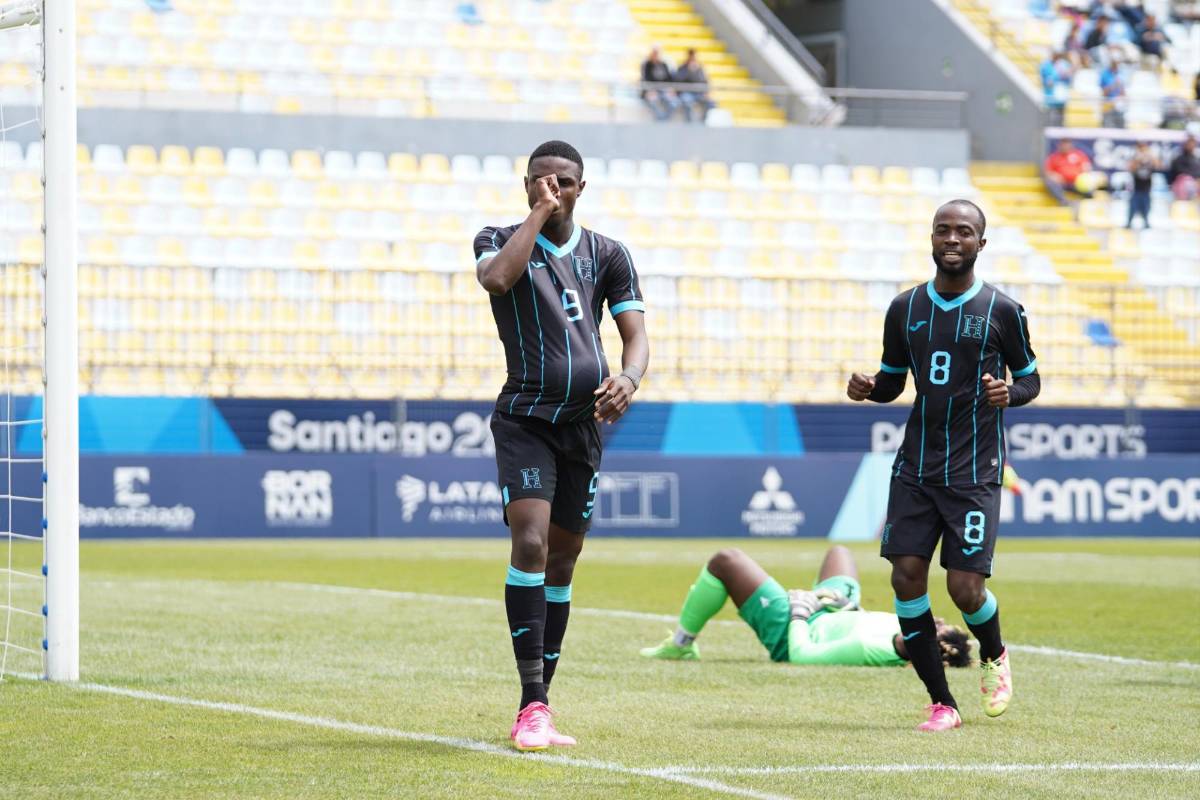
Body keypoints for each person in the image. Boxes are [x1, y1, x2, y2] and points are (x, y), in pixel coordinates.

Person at [474, 140, 650, 751]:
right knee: (530, 540)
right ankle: (531, 704)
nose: (554, 190)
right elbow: (498, 280)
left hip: (582, 427)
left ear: (583, 187)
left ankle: (542, 700)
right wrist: (537, 218)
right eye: (542, 183)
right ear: (526, 186)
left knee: (565, 560)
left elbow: (636, 337)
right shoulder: (497, 238)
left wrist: (628, 379)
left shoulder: (609, 253)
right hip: (525, 419)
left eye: (565, 183)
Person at [845, 200, 1042, 732]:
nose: (952, 239)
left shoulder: (1003, 310)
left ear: (982, 242)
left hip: (975, 472)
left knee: (964, 590)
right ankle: (943, 703)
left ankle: (995, 653)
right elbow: (892, 382)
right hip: (914, 469)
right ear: (931, 239)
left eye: (964, 231)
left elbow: (1030, 379)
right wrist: (867, 390)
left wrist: (1010, 393)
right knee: (906, 580)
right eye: (943, 230)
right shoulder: (904, 308)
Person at [640, 545, 972, 669]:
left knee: (726, 561)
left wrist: (800, 609)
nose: (938, 619)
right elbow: (859, 622)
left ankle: (681, 645)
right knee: (839, 553)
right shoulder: (902, 637)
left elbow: (801, 653)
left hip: (797, 625)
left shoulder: (869, 649)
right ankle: (829, 597)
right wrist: (844, 605)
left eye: (940, 627)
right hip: (834, 610)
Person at [674, 48, 715, 124]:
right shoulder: (683, 67)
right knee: (687, 101)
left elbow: (704, 81)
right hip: (686, 92)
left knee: (710, 103)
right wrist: (689, 71)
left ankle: (703, 122)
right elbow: (679, 80)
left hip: (699, 93)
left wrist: (706, 92)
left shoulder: (699, 68)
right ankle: (689, 123)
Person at [641, 46, 679, 121]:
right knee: (652, 101)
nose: (656, 55)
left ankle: (664, 119)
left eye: (657, 53)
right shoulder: (647, 65)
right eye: (655, 53)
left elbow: (669, 79)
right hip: (652, 90)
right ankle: (661, 119)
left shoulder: (664, 64)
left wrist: (671, 89)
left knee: (674, 102)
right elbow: (645, 79)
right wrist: (649, 90)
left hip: (664, 90)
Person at [1126, 140, 1158, 228]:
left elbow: (1158, 166)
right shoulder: (1134, 157)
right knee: (1133, 205)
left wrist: (1149, 157)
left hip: (1147, 187)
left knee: (1146, 206)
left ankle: (1146, 221)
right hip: (1136, 187)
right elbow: (1130, 168)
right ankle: (1129, 222)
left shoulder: (1150, 158)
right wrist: (1138, 159)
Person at [1168, 136, 1200, 200]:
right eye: (1189, 144)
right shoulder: (1179, 159)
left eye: (1193, 144)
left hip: (1195, 190)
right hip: (1182, 190)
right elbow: (1177, 172)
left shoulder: (1196, 158)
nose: (1191, 146)